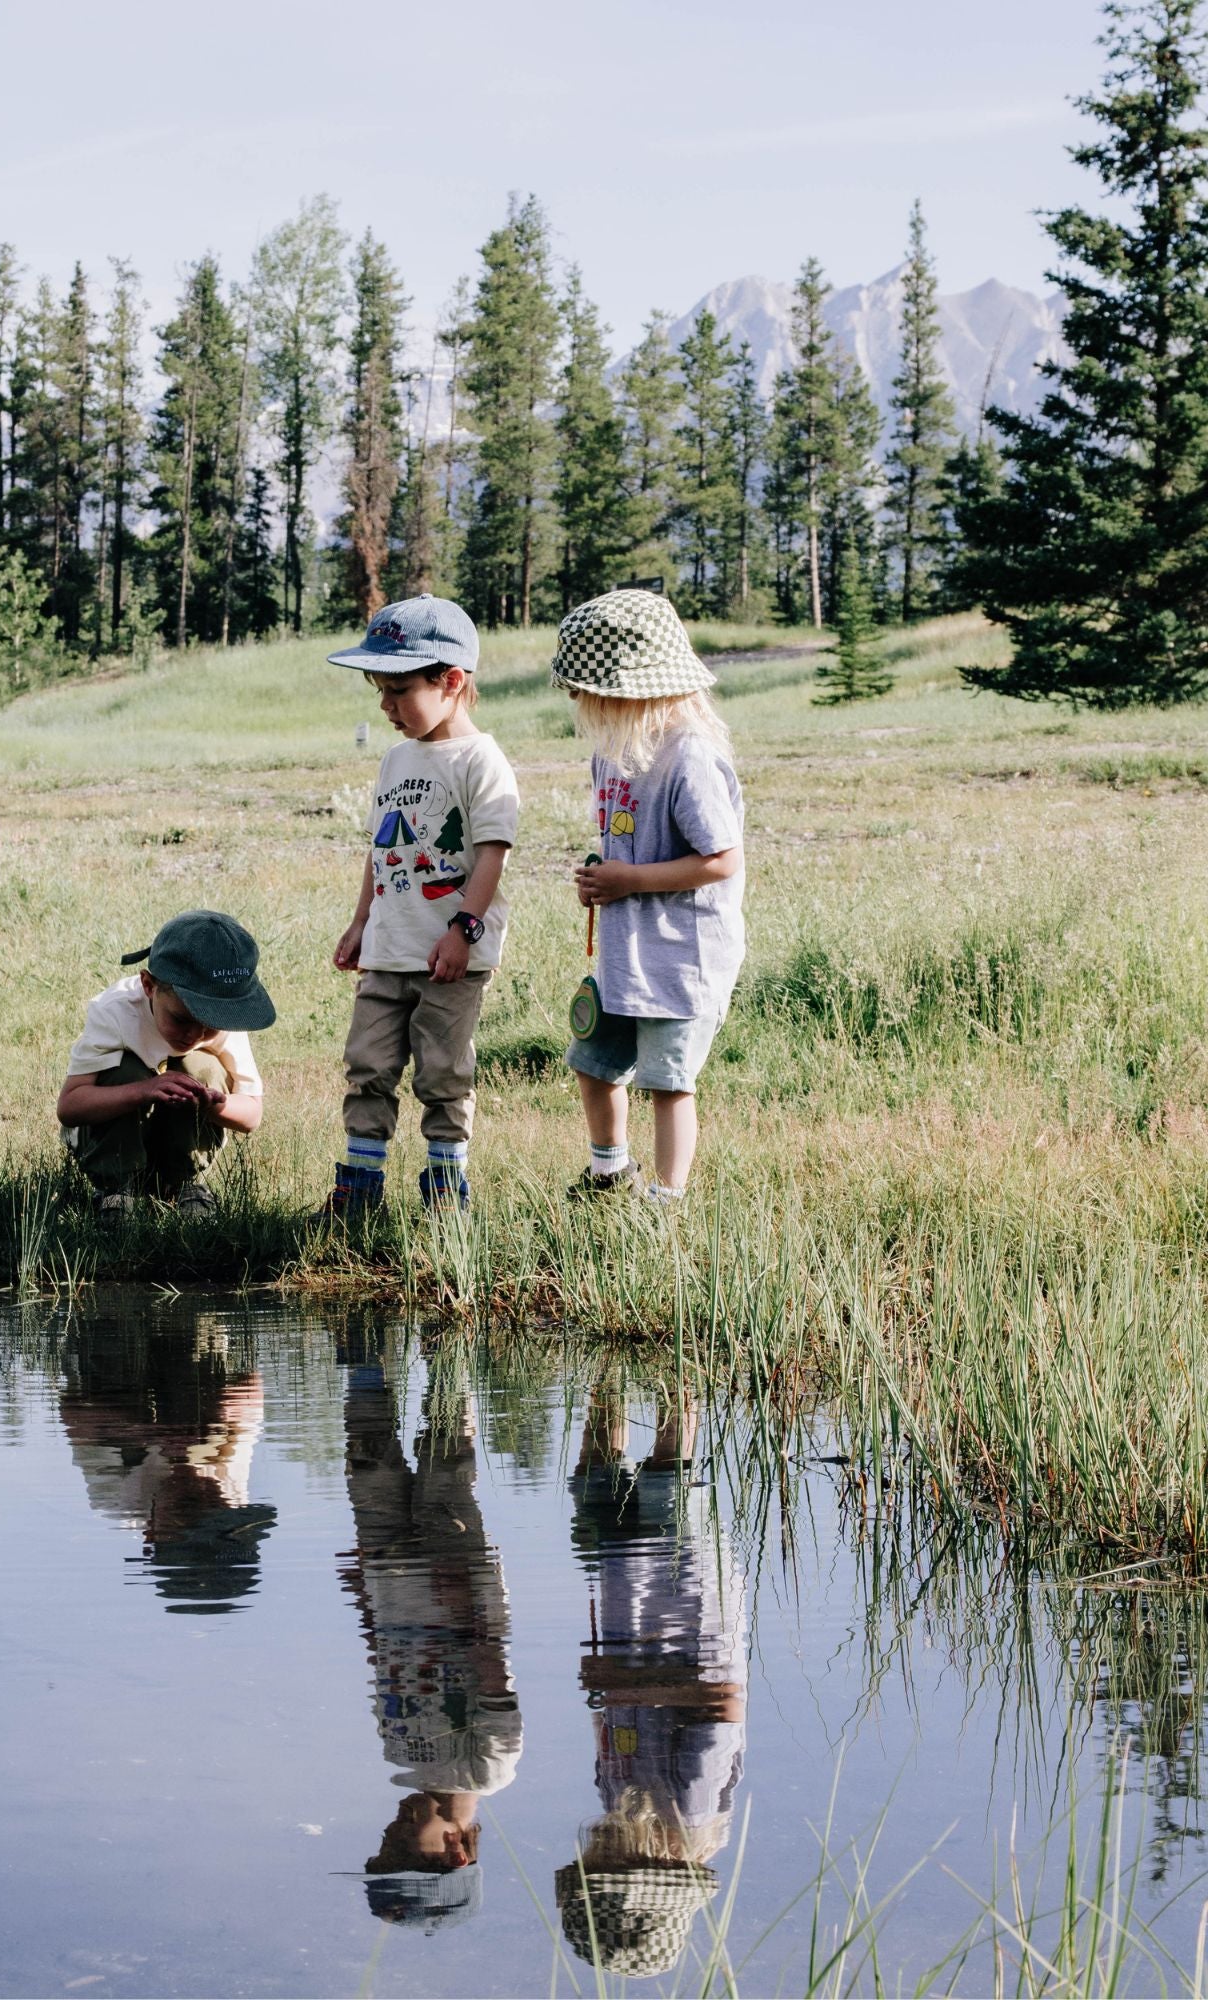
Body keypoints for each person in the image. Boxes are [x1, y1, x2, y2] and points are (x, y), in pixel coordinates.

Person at [322, 594, 519, 1215]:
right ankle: (359, 1190)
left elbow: (492, 853)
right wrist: (359, 923)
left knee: (442, 1070)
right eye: (378, 690)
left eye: (398, 689)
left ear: (452, 681)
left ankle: (444, 1194)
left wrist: (464, 929)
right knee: (368, 1064)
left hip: (449, 956)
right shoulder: (395, 759)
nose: (385, 707)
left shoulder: (482, 762)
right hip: (388, 948)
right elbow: (380, 850)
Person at [549, 588, 745, 1202]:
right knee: (593, 1059)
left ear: (630, 691)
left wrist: (629, 881)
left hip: (679, 957)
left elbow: (722, 859)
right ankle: (609, 1172)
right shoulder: (614, 751)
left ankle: (666, 1200)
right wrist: (602, 876)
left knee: (668, 1080)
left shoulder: (688, 756)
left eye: (589, 690)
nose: (581, 702)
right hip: (624, 949)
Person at [555, 1374, 749, 1980]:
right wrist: (624, 1689)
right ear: (663, 1865)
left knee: (595, 1482)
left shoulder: (622, 1809)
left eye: (591, 1867)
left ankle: (606, 1366)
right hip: (687, 1610)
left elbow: (612, 1729)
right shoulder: (690, 1807)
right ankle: (675, 1353)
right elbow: (723, 1700)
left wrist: (607, 1695)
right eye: (607, 1867)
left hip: (625, 1619)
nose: (596, 1851)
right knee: (668, 1476)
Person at [336, 1333, 523, 1936]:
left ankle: (363, 1355)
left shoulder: (399, 1758)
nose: (387, 1833)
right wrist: (467, 1594)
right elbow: (492, 1664)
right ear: (453, 1852)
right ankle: (447, 1350)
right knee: (446, 1468)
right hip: (452, 1589)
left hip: (390, 1587)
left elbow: (385, 1669)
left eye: (381, 1849)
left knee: (368, 1465)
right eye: (397, 1849)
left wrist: (367, 1604)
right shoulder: (488, 1769)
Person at [56, 909, 275, 1218]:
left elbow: (252, 1115)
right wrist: (145, 1090)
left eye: (209, 1024)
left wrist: (212, 1104)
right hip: (108, 1144)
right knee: (125, 1070)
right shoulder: (115, 1011)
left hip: (178, 1147)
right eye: (182, 1019)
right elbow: (70, 1106)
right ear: (148, 985)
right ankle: (117, 1191)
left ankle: (184, 1184)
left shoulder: (224, 1020)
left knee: (203, 1067)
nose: (196, 1034)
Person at [59, 1309, 276, 1615]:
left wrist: (147, 1432)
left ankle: (105, 1311)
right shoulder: (233, 1490)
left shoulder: (114, 1499)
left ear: (151, 1535)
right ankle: (190, 1311)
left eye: (185, 1506)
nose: (203, 1491)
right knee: (202, 1406)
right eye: (215, 1505)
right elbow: (253, 1386)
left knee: (113, 1373)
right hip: (184, 1366)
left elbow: (73, 1412)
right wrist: (216, 1417)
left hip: (110, 1378)